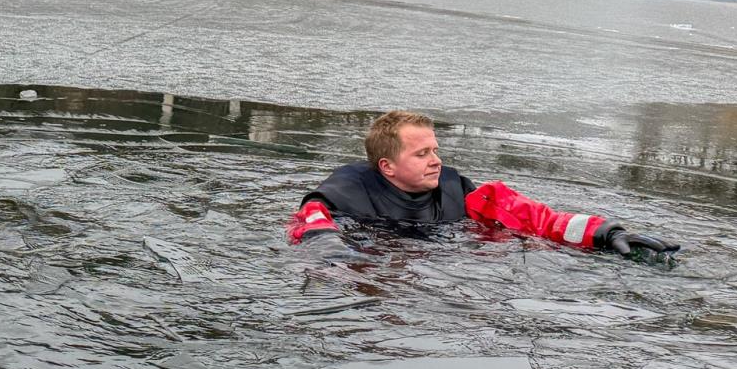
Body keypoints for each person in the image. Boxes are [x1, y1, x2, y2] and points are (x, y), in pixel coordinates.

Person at [288, 110, 679, 263]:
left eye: (435, 150)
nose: (436, 160)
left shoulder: (458, 189)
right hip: (372, 262)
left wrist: (605, 232)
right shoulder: (348, 190)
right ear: (386, 166)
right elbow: (313, 227)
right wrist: (333, 254)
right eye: (421, 154)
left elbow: (536, 219)